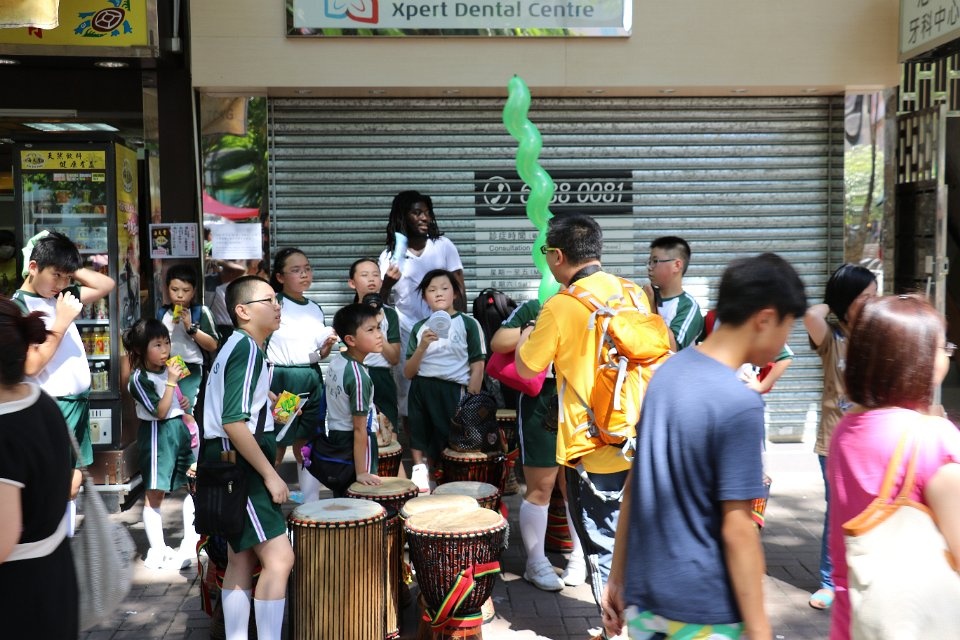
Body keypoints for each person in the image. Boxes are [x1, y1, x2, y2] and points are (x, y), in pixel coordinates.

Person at [602, 253, 807, 640]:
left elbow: (636, 485)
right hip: (705, 610)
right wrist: (759, 629)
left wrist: (617, 576)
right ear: (765, 319)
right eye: (788, 326)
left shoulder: (667, 373)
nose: (786, 341)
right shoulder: (740, 401)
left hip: (647, 602)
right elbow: (738, 528)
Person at [514, 214, 670, 621]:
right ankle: (643, 619)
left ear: (557, 256)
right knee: (638, 539)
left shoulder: (560, 305)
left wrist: (527, 334)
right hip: (644, 436)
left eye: (547, 252)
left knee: (604, 549)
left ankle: (618, 627)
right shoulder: (634, 292)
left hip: (594, 445)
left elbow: (528, 367)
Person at [826, 294, 960, 639]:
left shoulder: (844, 429)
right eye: (942, 347)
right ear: (918, 358)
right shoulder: (934, 438)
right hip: (918, 622)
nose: (947, 355)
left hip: (855, 619)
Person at [202, 275, 293, 640]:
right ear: (242, 311)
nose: (277, 306)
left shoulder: (238, 345)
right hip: (239, 466)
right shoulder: (247, 349)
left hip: (227, 459)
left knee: (241, 557)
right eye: (268, 300)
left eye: (276, 300)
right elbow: (233, 421)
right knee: (280, 558)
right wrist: (270, 474)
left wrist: (270, 404)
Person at [12, 230, 115, 518]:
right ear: (33, 267)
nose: (61, 284)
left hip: (77, 405)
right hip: (53, 406)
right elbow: (31, 365)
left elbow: (106, 284)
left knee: (72, 483)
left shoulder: (62, 294)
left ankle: (64, 538)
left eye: (66, 277)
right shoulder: (18, 307)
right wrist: (62, 321)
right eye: (55, 275)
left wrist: (69, 265)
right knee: (54, 485)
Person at [491, 298, 586, 592]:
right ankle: (535, 561)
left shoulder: (591, 300)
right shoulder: (536, 306)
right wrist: (531, 327)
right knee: (540, 487)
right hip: (541, 399)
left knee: (575, 485)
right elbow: (498, 342)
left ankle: (580, 557)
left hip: (580, 396)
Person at [0, 299, 78, 638]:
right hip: (55, 579)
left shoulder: (5, 429)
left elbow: (2, 538)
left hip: (19, 598)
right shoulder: (39, 399)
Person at [803, 263, 877, 610]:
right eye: (864, 297)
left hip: (874, 439)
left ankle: (866, 579)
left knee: (873, 510)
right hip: (835, 440)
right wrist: (836, 303)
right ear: (846, 300)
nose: (872, 302)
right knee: (838, 511)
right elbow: (810, 315)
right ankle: (830, 582)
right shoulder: (832, 339)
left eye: (875, 295)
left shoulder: (879, 336)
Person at [378, 191, 464, 430]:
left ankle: (446, 439)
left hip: (443, 326)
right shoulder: (389, 256)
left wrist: (460, 324)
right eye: (417, 213)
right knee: (407, 387)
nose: (425, 218)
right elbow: (379, 302)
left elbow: (459, 288)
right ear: (402, 217)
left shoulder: (443, 246)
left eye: (427, 212)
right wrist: (387, 284)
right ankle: (414, 443)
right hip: (406, 329)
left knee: (445, 380)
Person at [403, 269, 485, 492]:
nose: (438, 293)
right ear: (424, 297)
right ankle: (422, 478)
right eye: (432, 290)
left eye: (444, 288)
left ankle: (452, 487)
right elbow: (408, 373)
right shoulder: (420, 328)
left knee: (453, 442)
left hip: (454, 391)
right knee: (420, 436)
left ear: (455, 293)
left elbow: (478, 366)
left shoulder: (468, 324)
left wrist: (470, 403)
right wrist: (422, 346)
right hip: (421, 388)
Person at [123, 319, 196, 571]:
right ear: (140, 349)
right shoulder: (138, 379)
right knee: (155, 493)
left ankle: (191, 542)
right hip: (157, 435)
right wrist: (171, 383)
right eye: (157, 345)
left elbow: (174, 403)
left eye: (166, 343)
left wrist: (183, 402)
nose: (165, 350)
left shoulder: (170, 368)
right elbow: (160, 412)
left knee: (193, 484)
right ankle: (157, 550)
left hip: (179, 431)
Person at [266, 248, 337, 503]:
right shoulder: (274, 304)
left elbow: (318, 353)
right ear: (280, 277)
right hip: (285, 382)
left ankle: (310, 503)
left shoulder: (315, 308)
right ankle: (267, 501)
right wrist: (267, 390)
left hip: (311, 378)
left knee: (307, 442)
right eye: (296, 270)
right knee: (278, 440)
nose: (304, 274)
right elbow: (260, 346)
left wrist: (326, 348)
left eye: (307, 268)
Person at [320, 302, 386, 493]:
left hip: (337, 436)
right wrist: (362, 472)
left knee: (343, 496)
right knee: (359, 499)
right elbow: (359, 428)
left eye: (378, 328)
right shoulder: (358, 377)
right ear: (350, 339)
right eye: (370, 330)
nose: (379, 334)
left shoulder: (338, 360)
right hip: (353, 443)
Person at [348, 258, 402, 438]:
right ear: (352, 283)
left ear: (381, 281)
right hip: (356, 376)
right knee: (358, 432)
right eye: (364, 275)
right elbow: (346, 354)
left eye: (375, 275)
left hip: (382, 377)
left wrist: (377, 327)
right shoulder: (348, 315)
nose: (371, 279)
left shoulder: (389, 314)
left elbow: (394, 358)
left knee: (388, 434)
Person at [157, 264, 219, 410]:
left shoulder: (201, 312)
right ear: (167, 289)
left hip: (192, 366)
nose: (180, 295)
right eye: (174, 290)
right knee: (170, 406)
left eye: (186, 290)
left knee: (186, 407)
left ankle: (190, 424)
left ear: (194, 291)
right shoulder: (162, 313)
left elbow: (213, 345)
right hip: (169, 365)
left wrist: (190, 328)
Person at [645, 236, 703, 350]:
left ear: (677, 265)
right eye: (649, 262)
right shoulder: (644, 295)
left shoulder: (688, 306)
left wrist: (651, 309)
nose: (649, 267)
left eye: (655, 261)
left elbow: (673, 349)